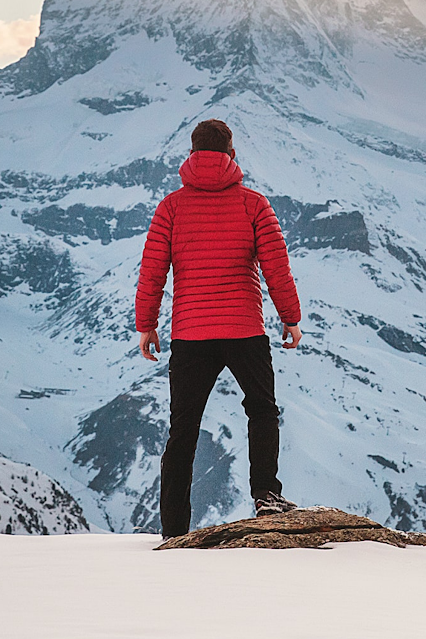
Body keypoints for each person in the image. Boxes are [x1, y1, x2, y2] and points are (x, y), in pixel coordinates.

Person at [135, 119, 302, 540]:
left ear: (192, 153)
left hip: (191, 335)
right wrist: (291, 318)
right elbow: (276, 267)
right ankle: (266, 494)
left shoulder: (170, 207)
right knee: (261, 410)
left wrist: (147, 325)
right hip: (245, 328)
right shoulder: (253, 204)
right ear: (231, 153)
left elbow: (152, 271)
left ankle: (174, 529)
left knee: (183, 428)